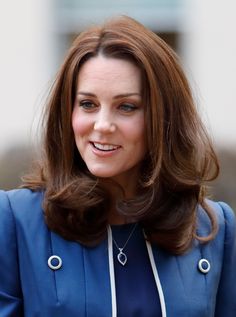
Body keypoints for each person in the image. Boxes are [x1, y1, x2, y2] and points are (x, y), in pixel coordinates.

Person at [0, 16, 235, 317]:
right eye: (88, 104)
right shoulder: (15, 220)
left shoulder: (214, 230)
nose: (102, 125)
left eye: (126, 106)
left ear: (163, 119)